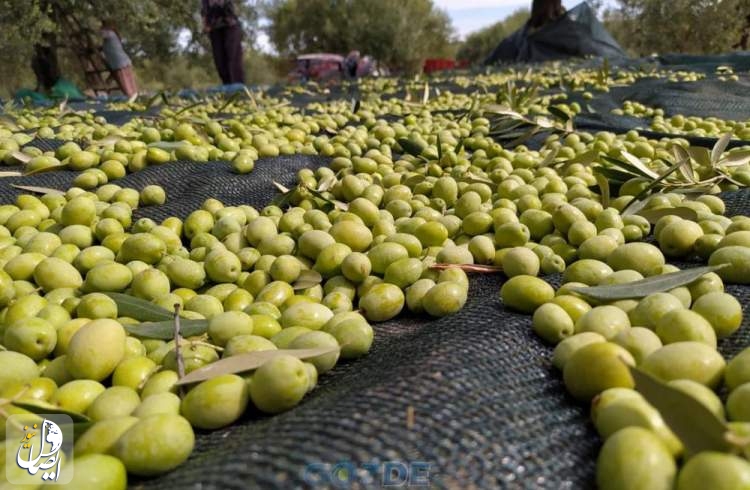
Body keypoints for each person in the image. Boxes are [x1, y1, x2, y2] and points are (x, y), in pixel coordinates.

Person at [202, 0, 245, 85]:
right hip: (214, 29)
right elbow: (204, 10)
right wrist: (205, 23)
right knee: (219, 61)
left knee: (232, 57)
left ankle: (238, 88)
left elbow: (229, 7)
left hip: (231, 26)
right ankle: (228, 87)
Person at [100, 20, 138, 97]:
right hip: (123, 62)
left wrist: (101, 28)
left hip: (119, 64)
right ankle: (135, 100)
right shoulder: (111, 37)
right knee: (131, 86)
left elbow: (102, 34)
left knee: (127, 87)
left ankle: (133, 102)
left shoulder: (109, 34)